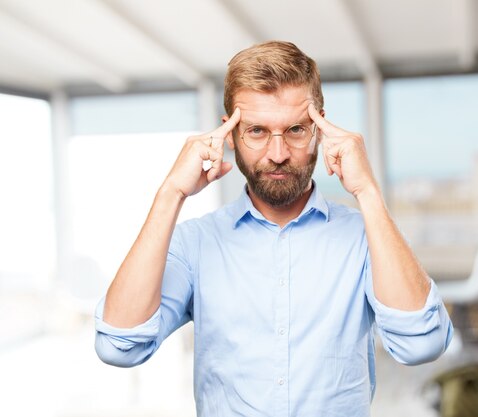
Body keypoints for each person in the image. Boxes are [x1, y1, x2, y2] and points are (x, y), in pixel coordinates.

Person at [94, 40, 453, 416]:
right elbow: (119, 345)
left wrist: (368, 192)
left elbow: (422, 344)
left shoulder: (365, 237)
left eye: (296, 129)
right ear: (230, 135)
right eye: (257, 132)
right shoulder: (195, 242)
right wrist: (171, 193)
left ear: (320, 129)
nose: (278, 153)